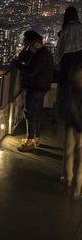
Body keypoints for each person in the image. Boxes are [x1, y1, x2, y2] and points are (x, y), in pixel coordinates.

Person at [15, 31, 53, 152]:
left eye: (29, 43)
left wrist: (17, 65)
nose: (28, 45)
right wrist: (26, 49)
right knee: (36, 112)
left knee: (30, 112)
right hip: (41, 86)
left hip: (36, 87)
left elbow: (31, 71)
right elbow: (23, 58)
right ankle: (35, 137)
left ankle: (30, 141)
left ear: (35, 43)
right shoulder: (42, 53)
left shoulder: (41, 55)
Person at [55, 6, 82, 120]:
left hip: (67, 61)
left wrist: (56, 62)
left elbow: (59, 49)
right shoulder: (80, 27)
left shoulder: (66, 29)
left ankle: (66, 113)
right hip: (80, 59)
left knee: (66, 87)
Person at [63, 67, 82, 198]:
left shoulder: (72, 90)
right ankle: (77, 190)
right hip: (80, 128)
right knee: (81, 161)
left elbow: (68, 107)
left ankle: (68, 177)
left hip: (71, 125)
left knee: (69, 152)